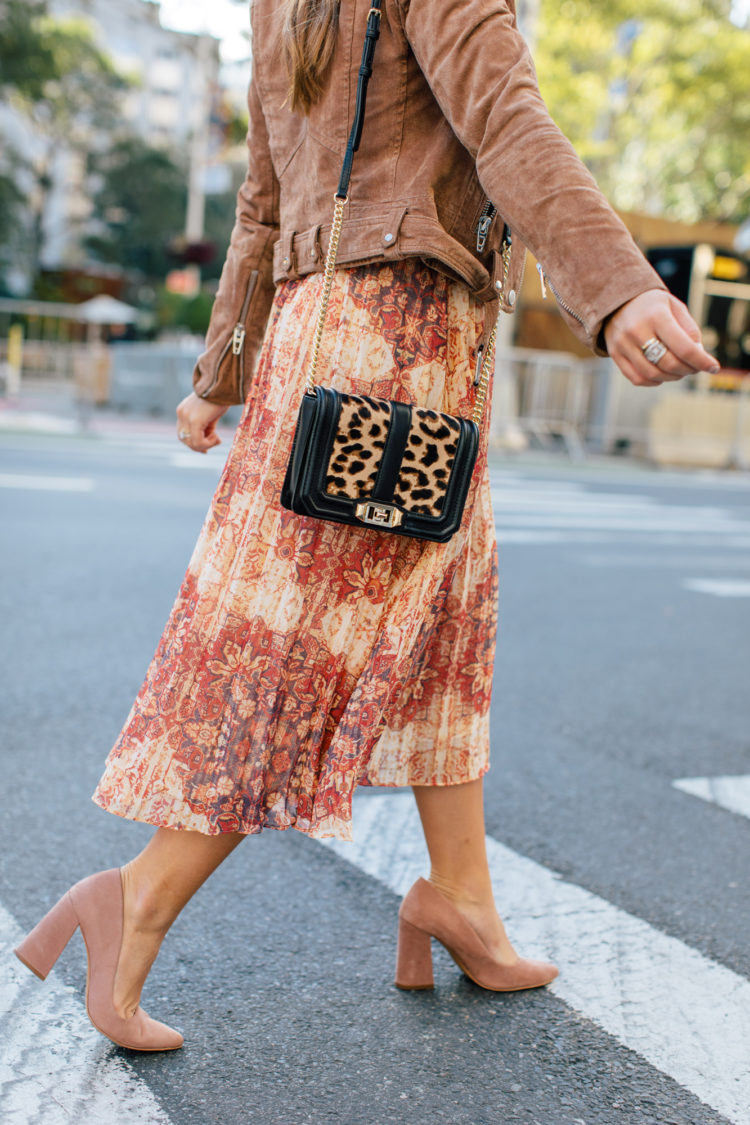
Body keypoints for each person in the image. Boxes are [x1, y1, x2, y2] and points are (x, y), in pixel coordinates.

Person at [15, 0, 718, 1051]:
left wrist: (222, 372)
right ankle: (137, 899)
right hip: (403, 337)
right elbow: (504, 115)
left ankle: (463, 900)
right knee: (294, 652)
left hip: (325, 328)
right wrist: (615, 289)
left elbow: (261, 196)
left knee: (446, 629)